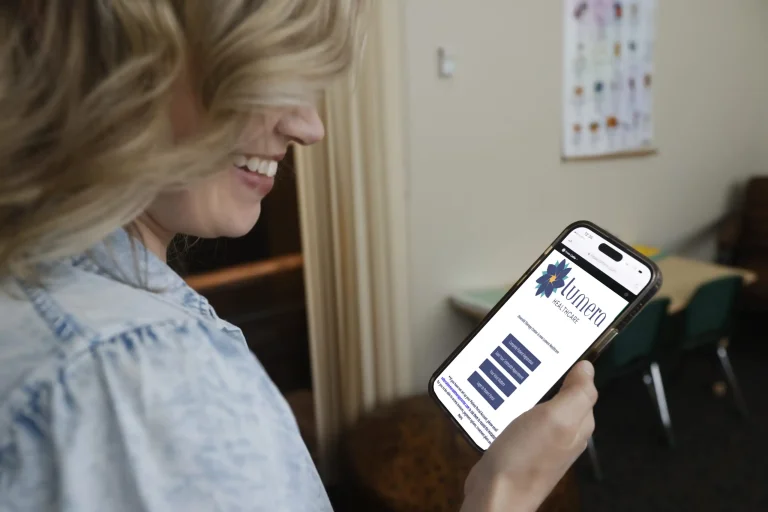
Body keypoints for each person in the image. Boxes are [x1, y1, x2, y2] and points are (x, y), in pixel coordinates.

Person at [0, 1, 597, 510]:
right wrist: (503, 492)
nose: (309, 126)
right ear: (126, 56)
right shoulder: (144, 382)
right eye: (271, 72)